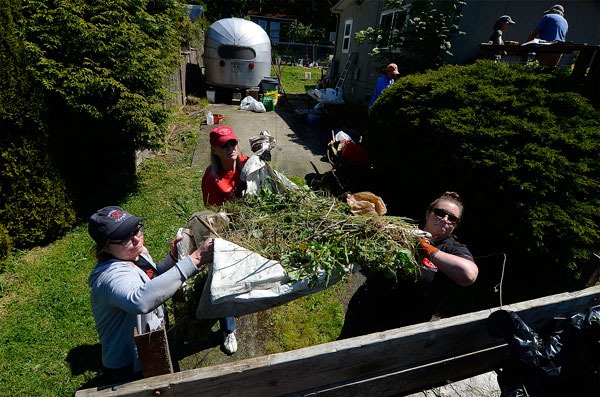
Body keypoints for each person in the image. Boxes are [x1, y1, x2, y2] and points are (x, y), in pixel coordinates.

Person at [87, 206, 213, 382]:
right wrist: (196, 259)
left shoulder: (136, 254)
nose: (136, 239)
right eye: (125, 238)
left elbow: (152, 280)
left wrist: (172, 259)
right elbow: (141, 300)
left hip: (151, 345)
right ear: (106, 247)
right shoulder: (110, 277)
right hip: (131, 365)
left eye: (136, 230)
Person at [339, 191, 479, 339]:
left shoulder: (453, 249)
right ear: (427, 214)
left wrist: (425, 247)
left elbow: (468, 275)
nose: (444, 219)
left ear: (455, 225)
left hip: (404, 328)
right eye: (439, 212)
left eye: (452, 218)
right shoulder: (402, 232)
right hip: (365, 311)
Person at [201, 125, 249, 354]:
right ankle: (229, 327)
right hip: (227, 231)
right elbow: (211, 214)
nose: (230, 148)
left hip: (255, 224)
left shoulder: (247, 164)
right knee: (226, 276)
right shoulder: (212, 178)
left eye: (233, 142)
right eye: (224, 145)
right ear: (215, 150)